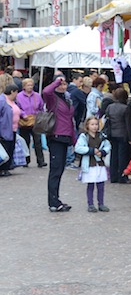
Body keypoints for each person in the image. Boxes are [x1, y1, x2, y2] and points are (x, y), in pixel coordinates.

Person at [42, 75, 75, 212]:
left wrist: (74, 139)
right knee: (55, 170)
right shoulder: (52, 98)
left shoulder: (67, 99)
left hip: (65, 136)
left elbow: (70, 120)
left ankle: (56, 199)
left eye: (65, 84)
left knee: (60, 170)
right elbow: (45, 92)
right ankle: (53, 202)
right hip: (55, 137)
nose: (63, 86)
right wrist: (56, 81)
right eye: (60, 84)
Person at [74, 116, 111, 213]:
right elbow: (78, 148)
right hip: (89, 164)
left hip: (99, 164)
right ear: (87, 126)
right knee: (90, 185)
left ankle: (101, 203)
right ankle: (90, 204)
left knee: (101, 185)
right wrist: (90, 151)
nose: (94, 126)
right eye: (92, 124)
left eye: (96, 124)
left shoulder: (101, 136)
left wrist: (103, 152)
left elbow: (108, 146)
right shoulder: (84, 137)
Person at [16, 78, 46, 168]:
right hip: (24, 122)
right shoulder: (19, 96)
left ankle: (41, 161)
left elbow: (41, 107)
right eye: (28, 85)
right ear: (24, 86)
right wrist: (23, 114)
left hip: (35, 121)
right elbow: (17, 107)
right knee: (25, 141)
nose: (30, 87)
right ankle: (26, 160)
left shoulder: (37, 96)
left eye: (31, 85)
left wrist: (41, 116)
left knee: (38, 141)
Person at [106, 87, 131, 184]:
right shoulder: (125, 108)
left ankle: (113, 176)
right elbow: (128, 125)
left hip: (112, 133)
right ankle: (122, 177)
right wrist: (130, 138)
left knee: (114, 155)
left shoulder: (110, 107)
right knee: (122, 156)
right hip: (122, 134)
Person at [0, 85, 23, 176]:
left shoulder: (14, 101)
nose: (17, 94)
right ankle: (2, 169)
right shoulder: (2, 101)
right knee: (5, 149)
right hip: (4, 130)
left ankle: (6, 168)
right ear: (12, 92)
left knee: (10, 148)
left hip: (13, 129)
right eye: (16, 92)